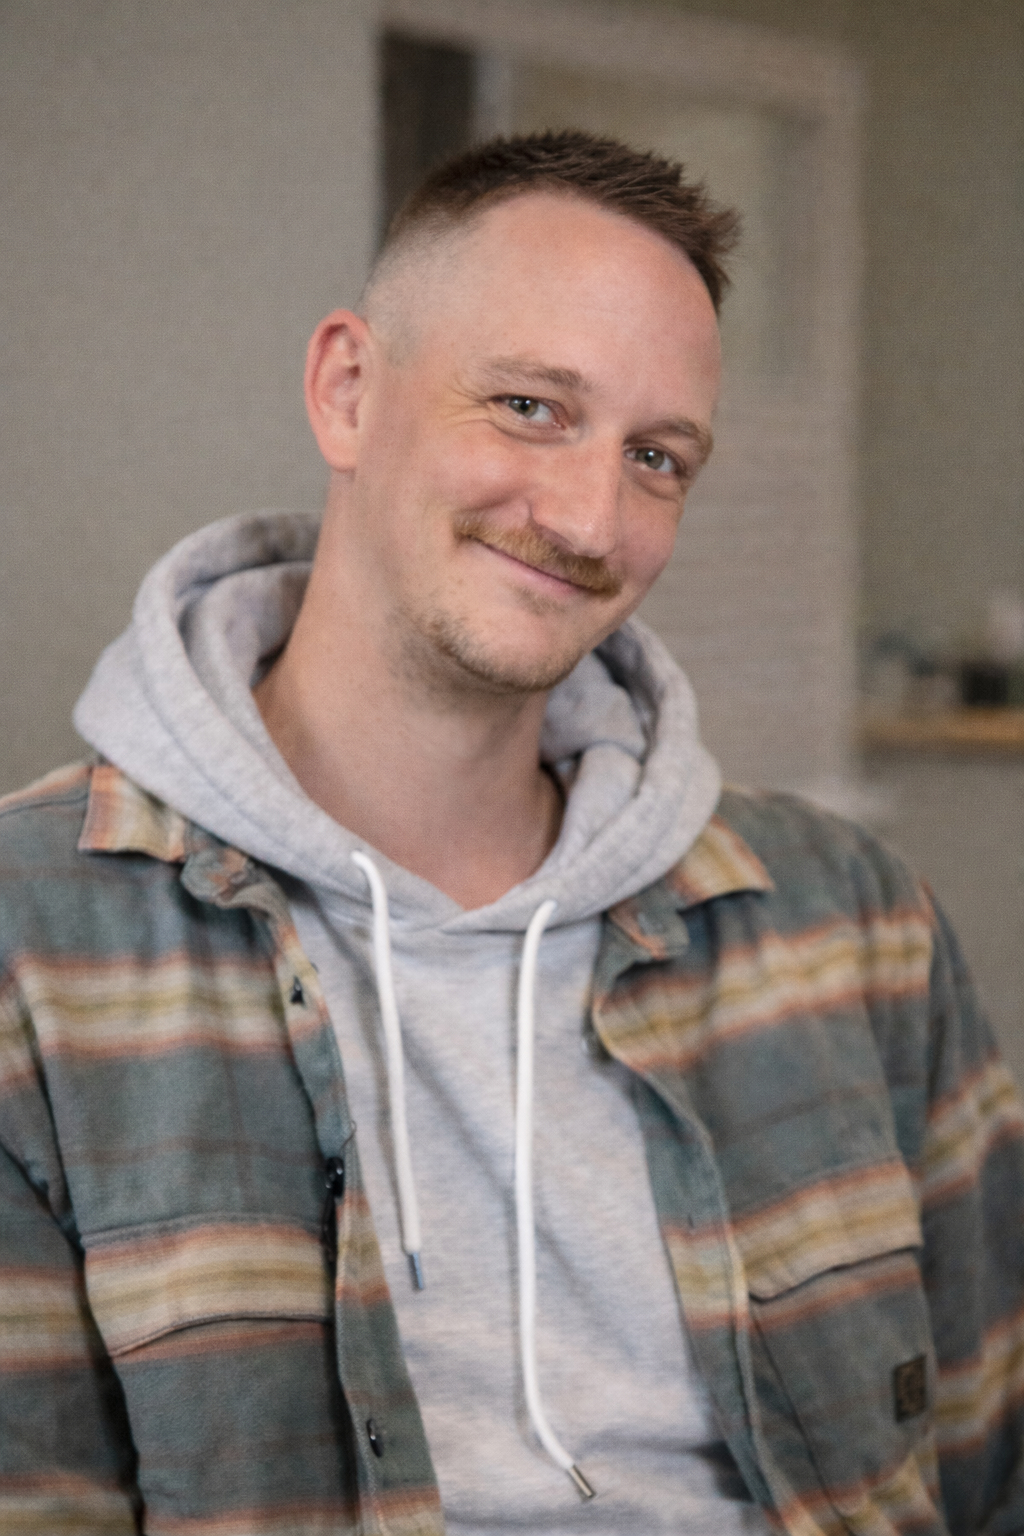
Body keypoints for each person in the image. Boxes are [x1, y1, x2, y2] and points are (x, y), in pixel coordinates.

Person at [0, 131, 1022, 1536]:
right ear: (349, 390)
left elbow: (992, 1463)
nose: (591, 517)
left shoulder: (851, 924)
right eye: (535, 407)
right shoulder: (34, 950)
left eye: (658, 457)